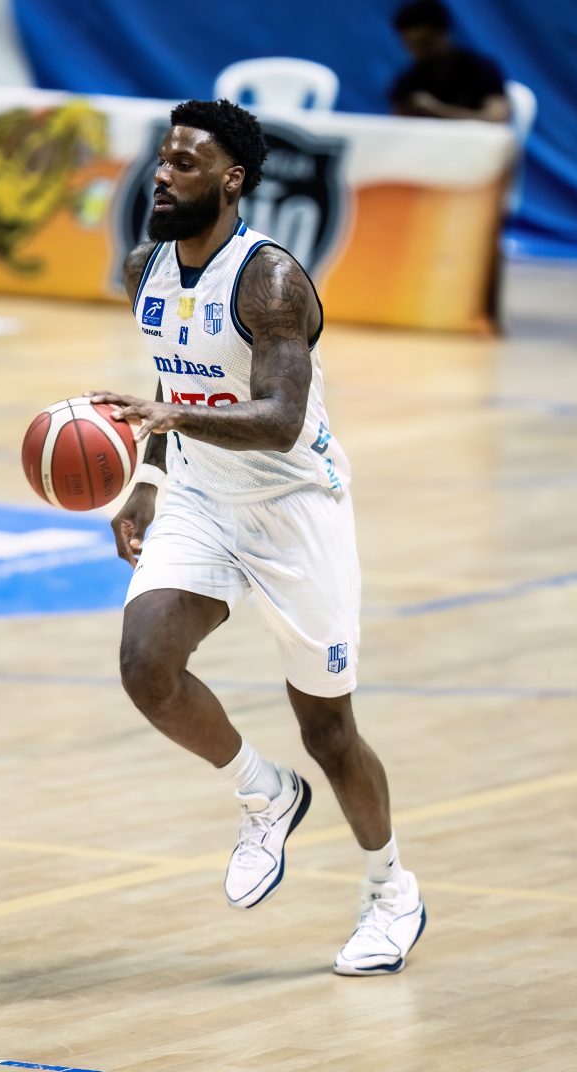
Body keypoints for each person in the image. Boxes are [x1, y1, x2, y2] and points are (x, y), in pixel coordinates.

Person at [88, 98, 425, 976]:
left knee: (330, 732)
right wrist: (149, 478)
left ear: (232, 180)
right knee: (146, 663)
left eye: (186, 164)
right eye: (162, 160)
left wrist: (171, 417)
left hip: (295, 509)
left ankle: (391, 890)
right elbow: (176, 384)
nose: (163, 176)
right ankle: (263, 794)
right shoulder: (145, 268)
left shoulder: (270, 280)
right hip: (203, 498)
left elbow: (278, 419)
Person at [389, 0, 511, 123]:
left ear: (444, 33)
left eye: (425, 43)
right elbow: (397, 126)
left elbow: (497, 119)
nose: (419, 51)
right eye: (411, 45)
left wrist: (437, 109)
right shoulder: (408, 81)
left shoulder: (481, 69)